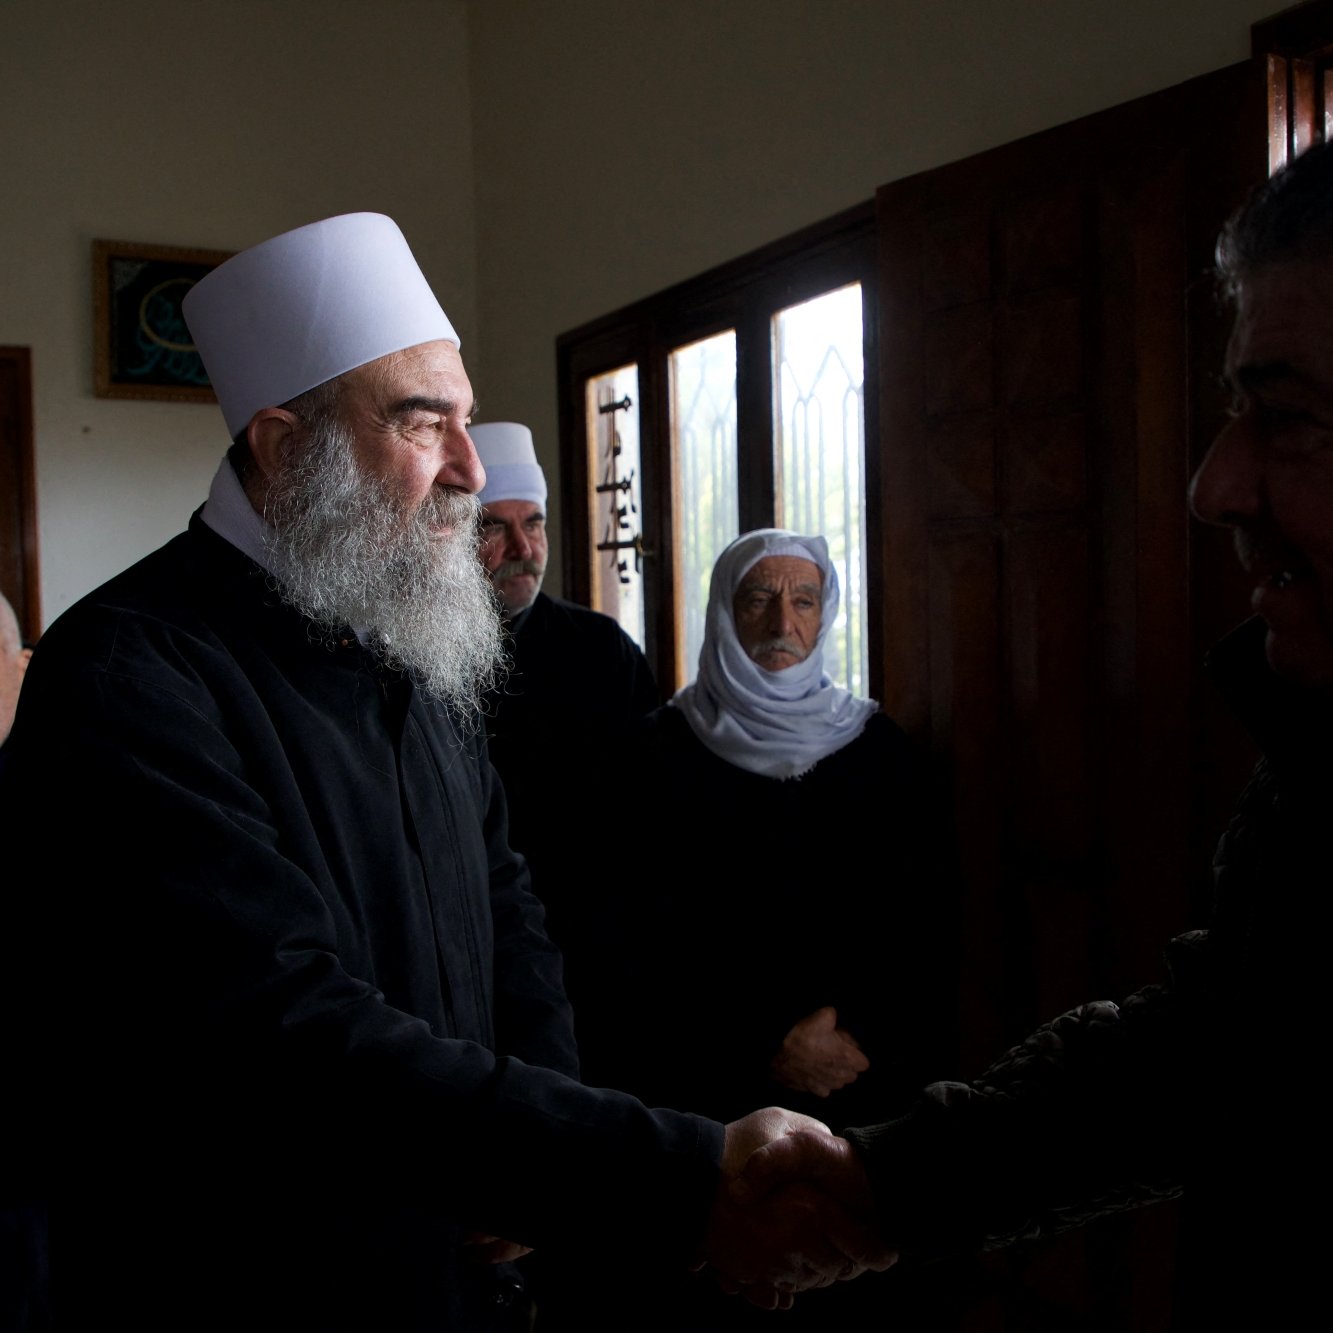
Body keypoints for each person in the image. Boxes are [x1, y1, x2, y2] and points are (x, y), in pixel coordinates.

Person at [0, 213, 894, 1331]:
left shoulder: (396, 619)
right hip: (251, 1286)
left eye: (465, 421)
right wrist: (622, 1168)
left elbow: (504, 900)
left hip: (462, 1257)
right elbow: (279, 1025)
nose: (471, 470)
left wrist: (541, 1154)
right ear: (285, 448)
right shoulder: (130, 667)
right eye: (427, 425)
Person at [735, 139, 1333, 1330]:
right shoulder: (1313, 746)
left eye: (1290, 420)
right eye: (1231, 414)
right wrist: (882, 1177)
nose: (1212, 485)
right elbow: (1219, 1047)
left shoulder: (880, 749)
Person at [547, 528, 963, 1330]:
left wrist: (859, 1032)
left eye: (803, 599)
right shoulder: (653, 755)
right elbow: (621, 946)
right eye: (757, 597)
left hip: (862, 1089)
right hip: (704, 1095)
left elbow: (927, 925)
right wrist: (758, 1044)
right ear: (723, 612)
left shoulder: (878, 749)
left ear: (825, 614)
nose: (782, 619)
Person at [469, 419, 659, 958]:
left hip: (592, 924)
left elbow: (649, 803)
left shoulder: (602, 649)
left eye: (533, 523)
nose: (521, 547)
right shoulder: (414, 650)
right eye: (492, 528)